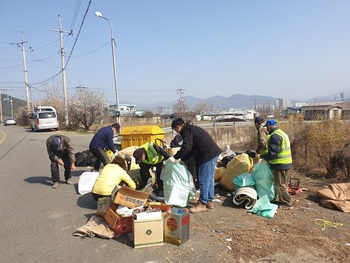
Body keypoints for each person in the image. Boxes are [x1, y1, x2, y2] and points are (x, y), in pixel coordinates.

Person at [170, 118, 221, 213]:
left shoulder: (187, 131)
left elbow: (186, 148)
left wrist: (175, 157)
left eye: (176, 130)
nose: (177, 133)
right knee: (209, 179)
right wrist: (182, 160)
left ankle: (202, 203)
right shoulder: (191, 129)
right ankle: (209, 201)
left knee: (203, 179)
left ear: (178, 127)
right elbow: (191, 149)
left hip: (207, 154)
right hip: (212, 152)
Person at [262, 119, 294, 209]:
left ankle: (287, 202)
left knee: (280, 184)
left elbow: (273, 153)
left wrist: (264, 157)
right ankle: (282, 199)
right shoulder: (281, 133)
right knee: (282, 183)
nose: (266, 129)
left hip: (280, 164)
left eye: (267, 127)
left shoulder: (275, 136)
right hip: (285, 163)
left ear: (269, 126)